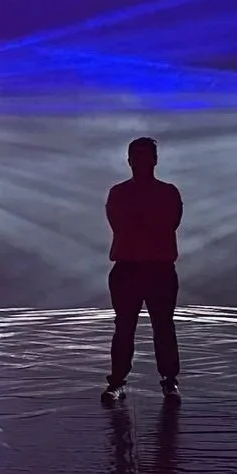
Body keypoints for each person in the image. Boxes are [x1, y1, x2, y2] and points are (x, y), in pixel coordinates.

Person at [102, 136, 182, 405]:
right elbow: (170, 224)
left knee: (143, 327)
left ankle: (122, 381)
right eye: (138, 158)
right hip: (141, 267)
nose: (140, 163)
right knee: (141, 327)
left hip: (144, 267)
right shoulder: (166, 193)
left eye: (143, 158)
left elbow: (120, 225)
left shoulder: (121, 193)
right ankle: (164, 381)